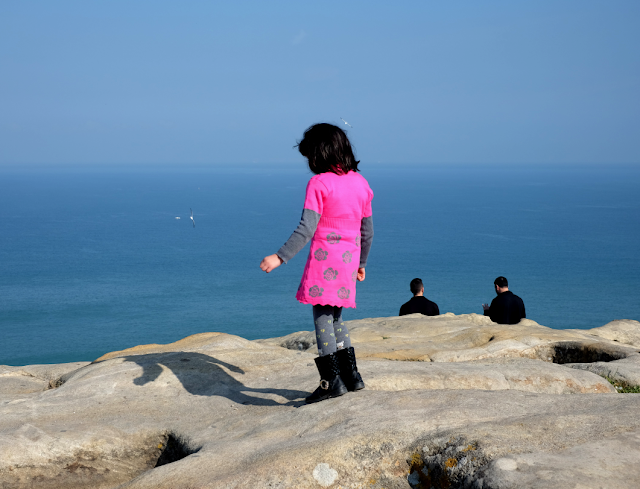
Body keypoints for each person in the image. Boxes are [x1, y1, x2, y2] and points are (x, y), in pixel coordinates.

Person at [260, 123, 374, 404]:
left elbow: (306, 228)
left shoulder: (319, 184)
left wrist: (280, 256)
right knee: (336, 317)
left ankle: (330, 381)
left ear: (319, 154)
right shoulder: (361, 183)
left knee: (323, 318)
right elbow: (367, 231)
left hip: (325, 263)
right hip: (349, 262)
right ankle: (351, 375)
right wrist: (361, 263)